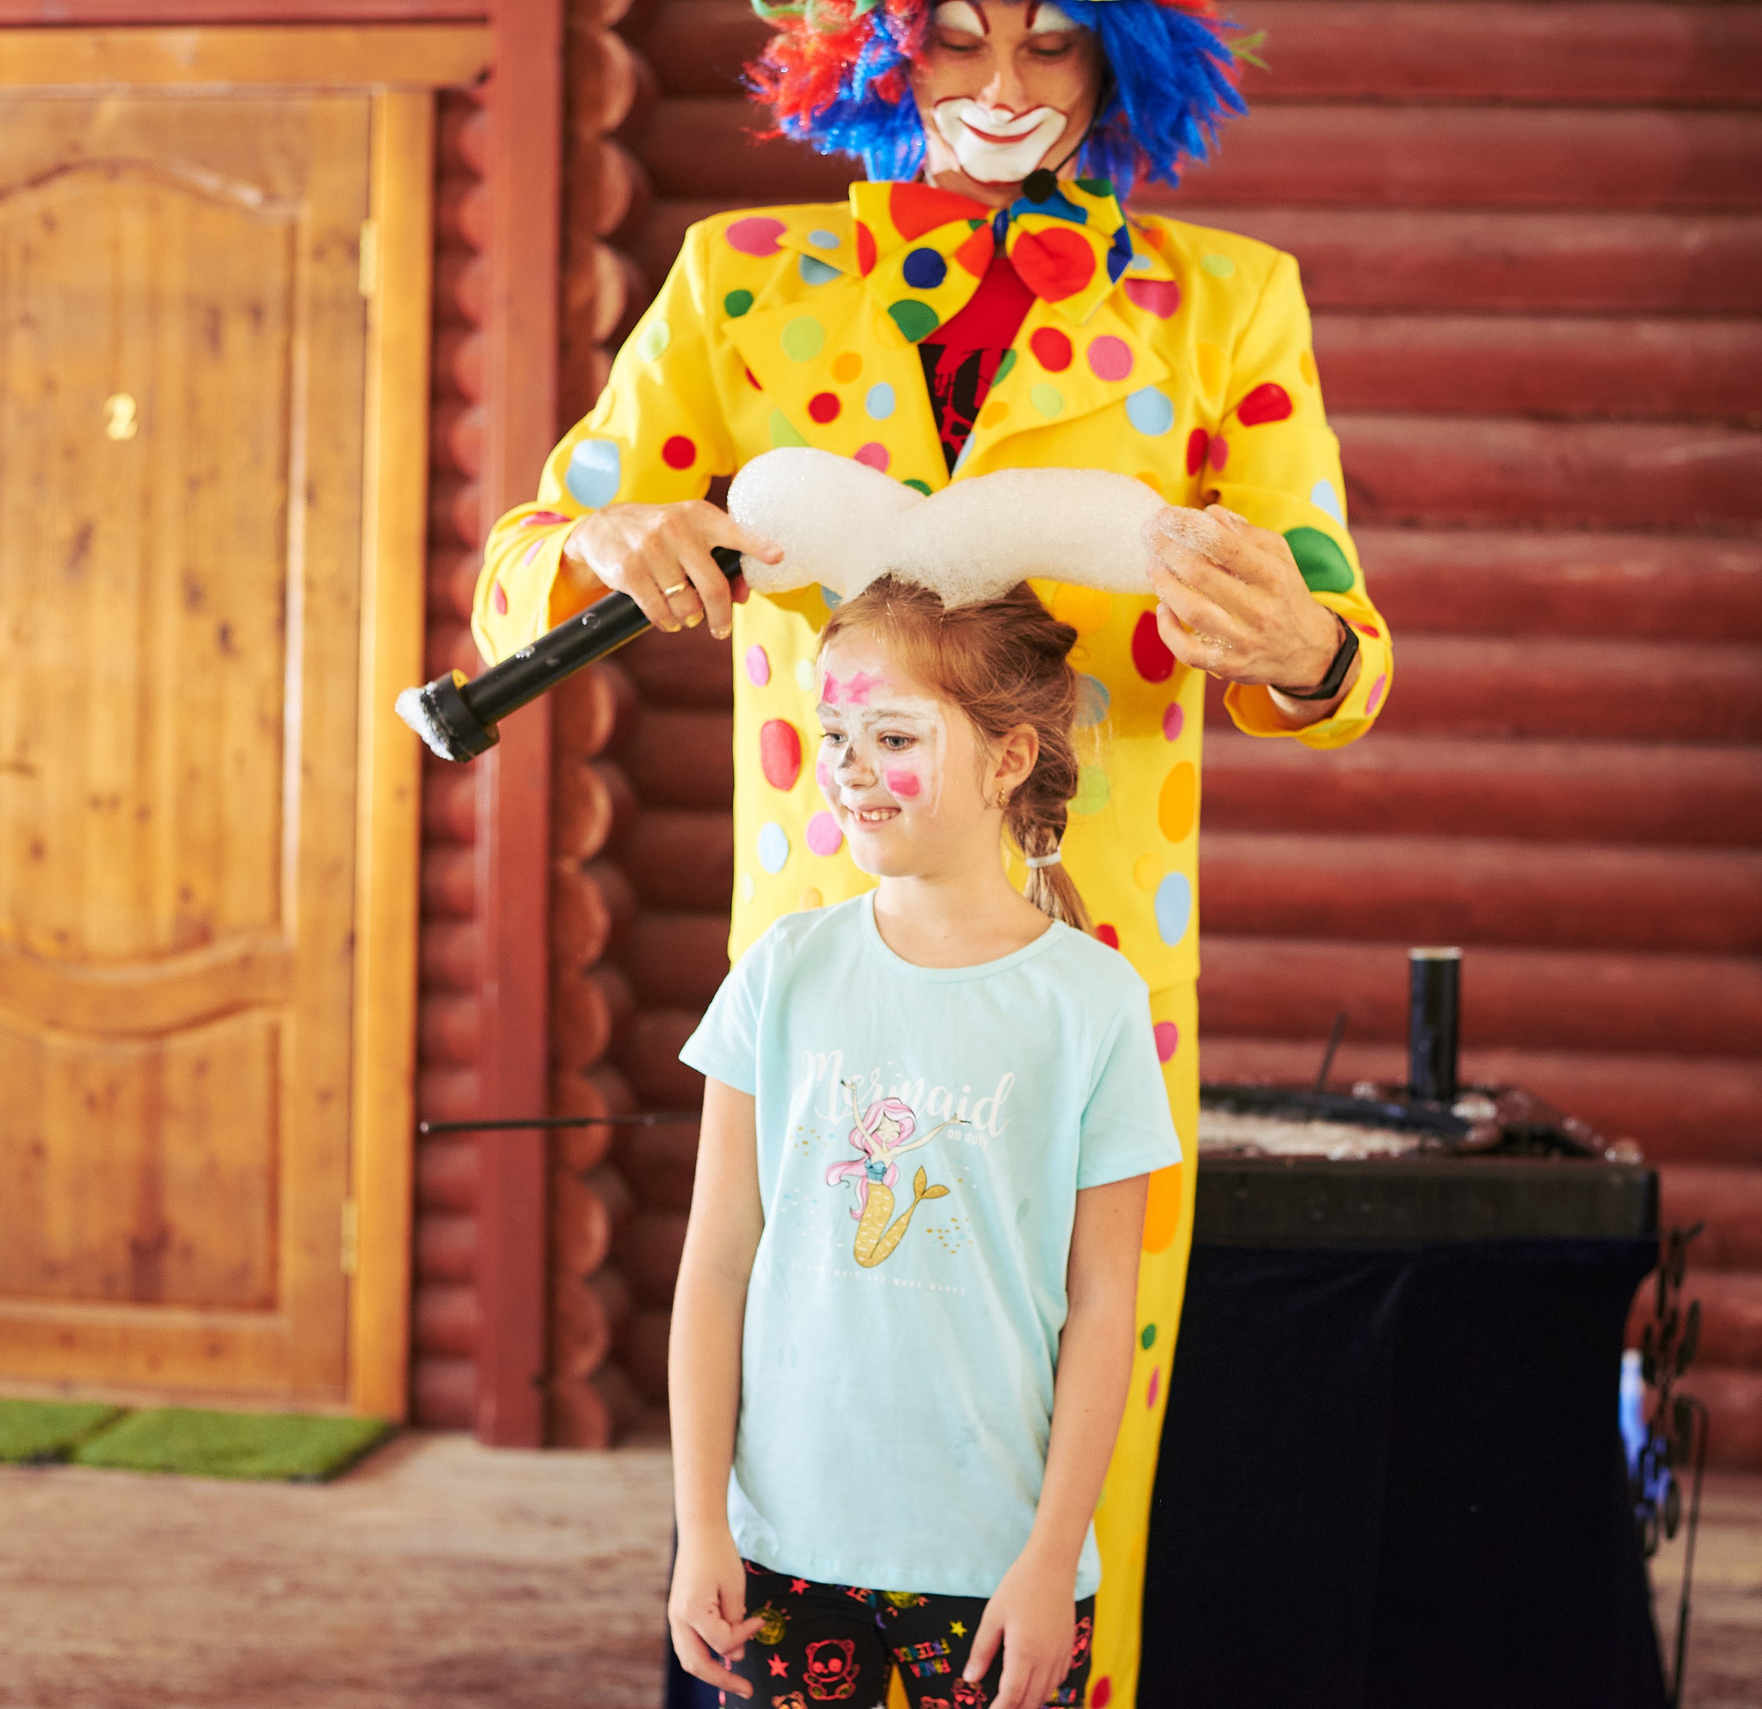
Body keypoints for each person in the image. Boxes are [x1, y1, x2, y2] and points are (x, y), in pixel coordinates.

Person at [477, 3, 1396, 1697]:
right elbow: (526, 554)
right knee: (794, 1344)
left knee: (1065, 1378)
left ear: (1127, 62)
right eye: (958, 37)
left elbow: (1343, 640)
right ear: (872, 50)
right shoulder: (741, 278)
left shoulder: (1223, 302)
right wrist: (607, 537)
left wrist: (1301, 638)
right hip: (826, 949)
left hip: (1097, 957)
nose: (998, 89)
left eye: (1052, 46)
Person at [667, 576, 1179, 1709]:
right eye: (834, 731)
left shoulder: (1092, 1002)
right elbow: (714, 1264)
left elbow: (1104, 1306)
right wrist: (700, 1523)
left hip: (1000, 1562)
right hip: (783, 1549)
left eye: (892, 734)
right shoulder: (779, 975)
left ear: (1007, 760)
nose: (850, 765)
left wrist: (1052, 1555)